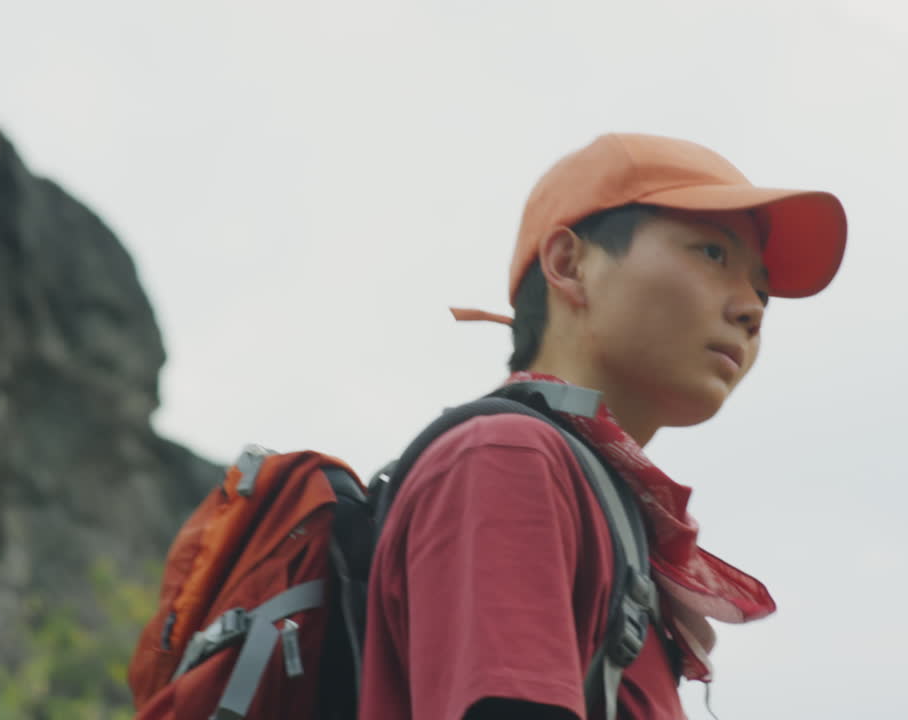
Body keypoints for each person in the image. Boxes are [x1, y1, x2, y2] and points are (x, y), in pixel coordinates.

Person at [358, 133, 847, 720]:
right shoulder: (508, 455)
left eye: (762, 289)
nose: (752, 310)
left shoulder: (610, 514)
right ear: (569, 264)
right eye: (712, 254)